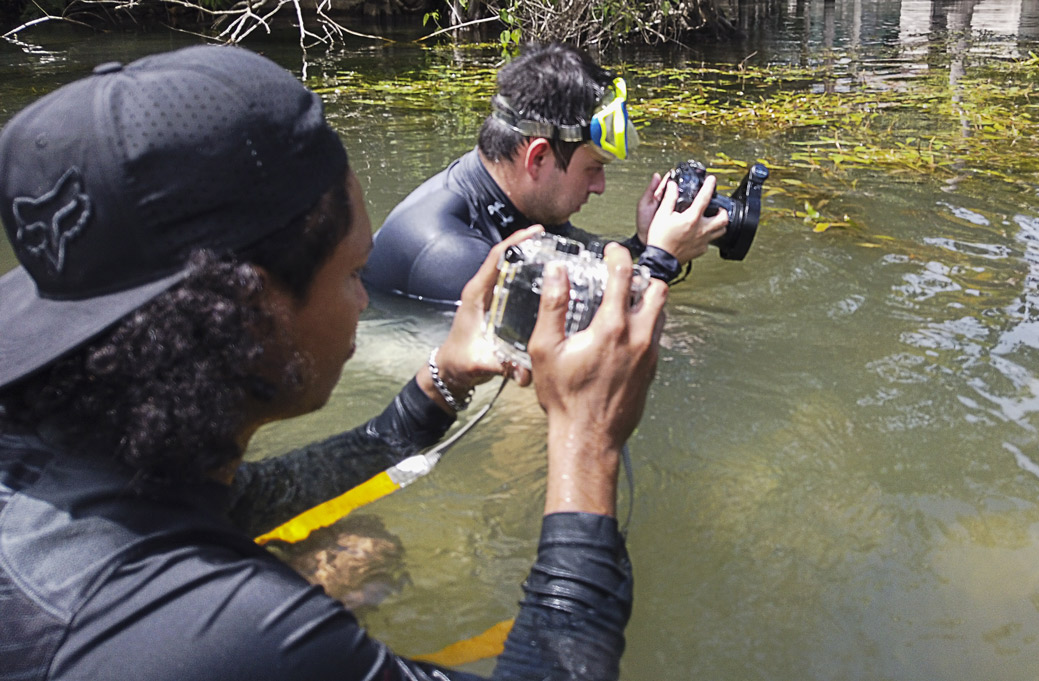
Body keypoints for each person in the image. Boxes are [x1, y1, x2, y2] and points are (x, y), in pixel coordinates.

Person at [0, 44, 672, 680]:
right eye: (354, 270)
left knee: (358, 550)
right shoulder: (229, 632)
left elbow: (257, 498)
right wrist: (587, 445)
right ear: (251, 306)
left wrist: (443, 378)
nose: (363, 296)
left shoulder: (67, 464)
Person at [362, 41, 729, 307]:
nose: (600, 187)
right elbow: (573, 353)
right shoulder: (448, 252)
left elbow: (584, 270)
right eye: (593, 168)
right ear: (537, 158)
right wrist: (662, 261)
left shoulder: (517, 196)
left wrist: (643, 244)